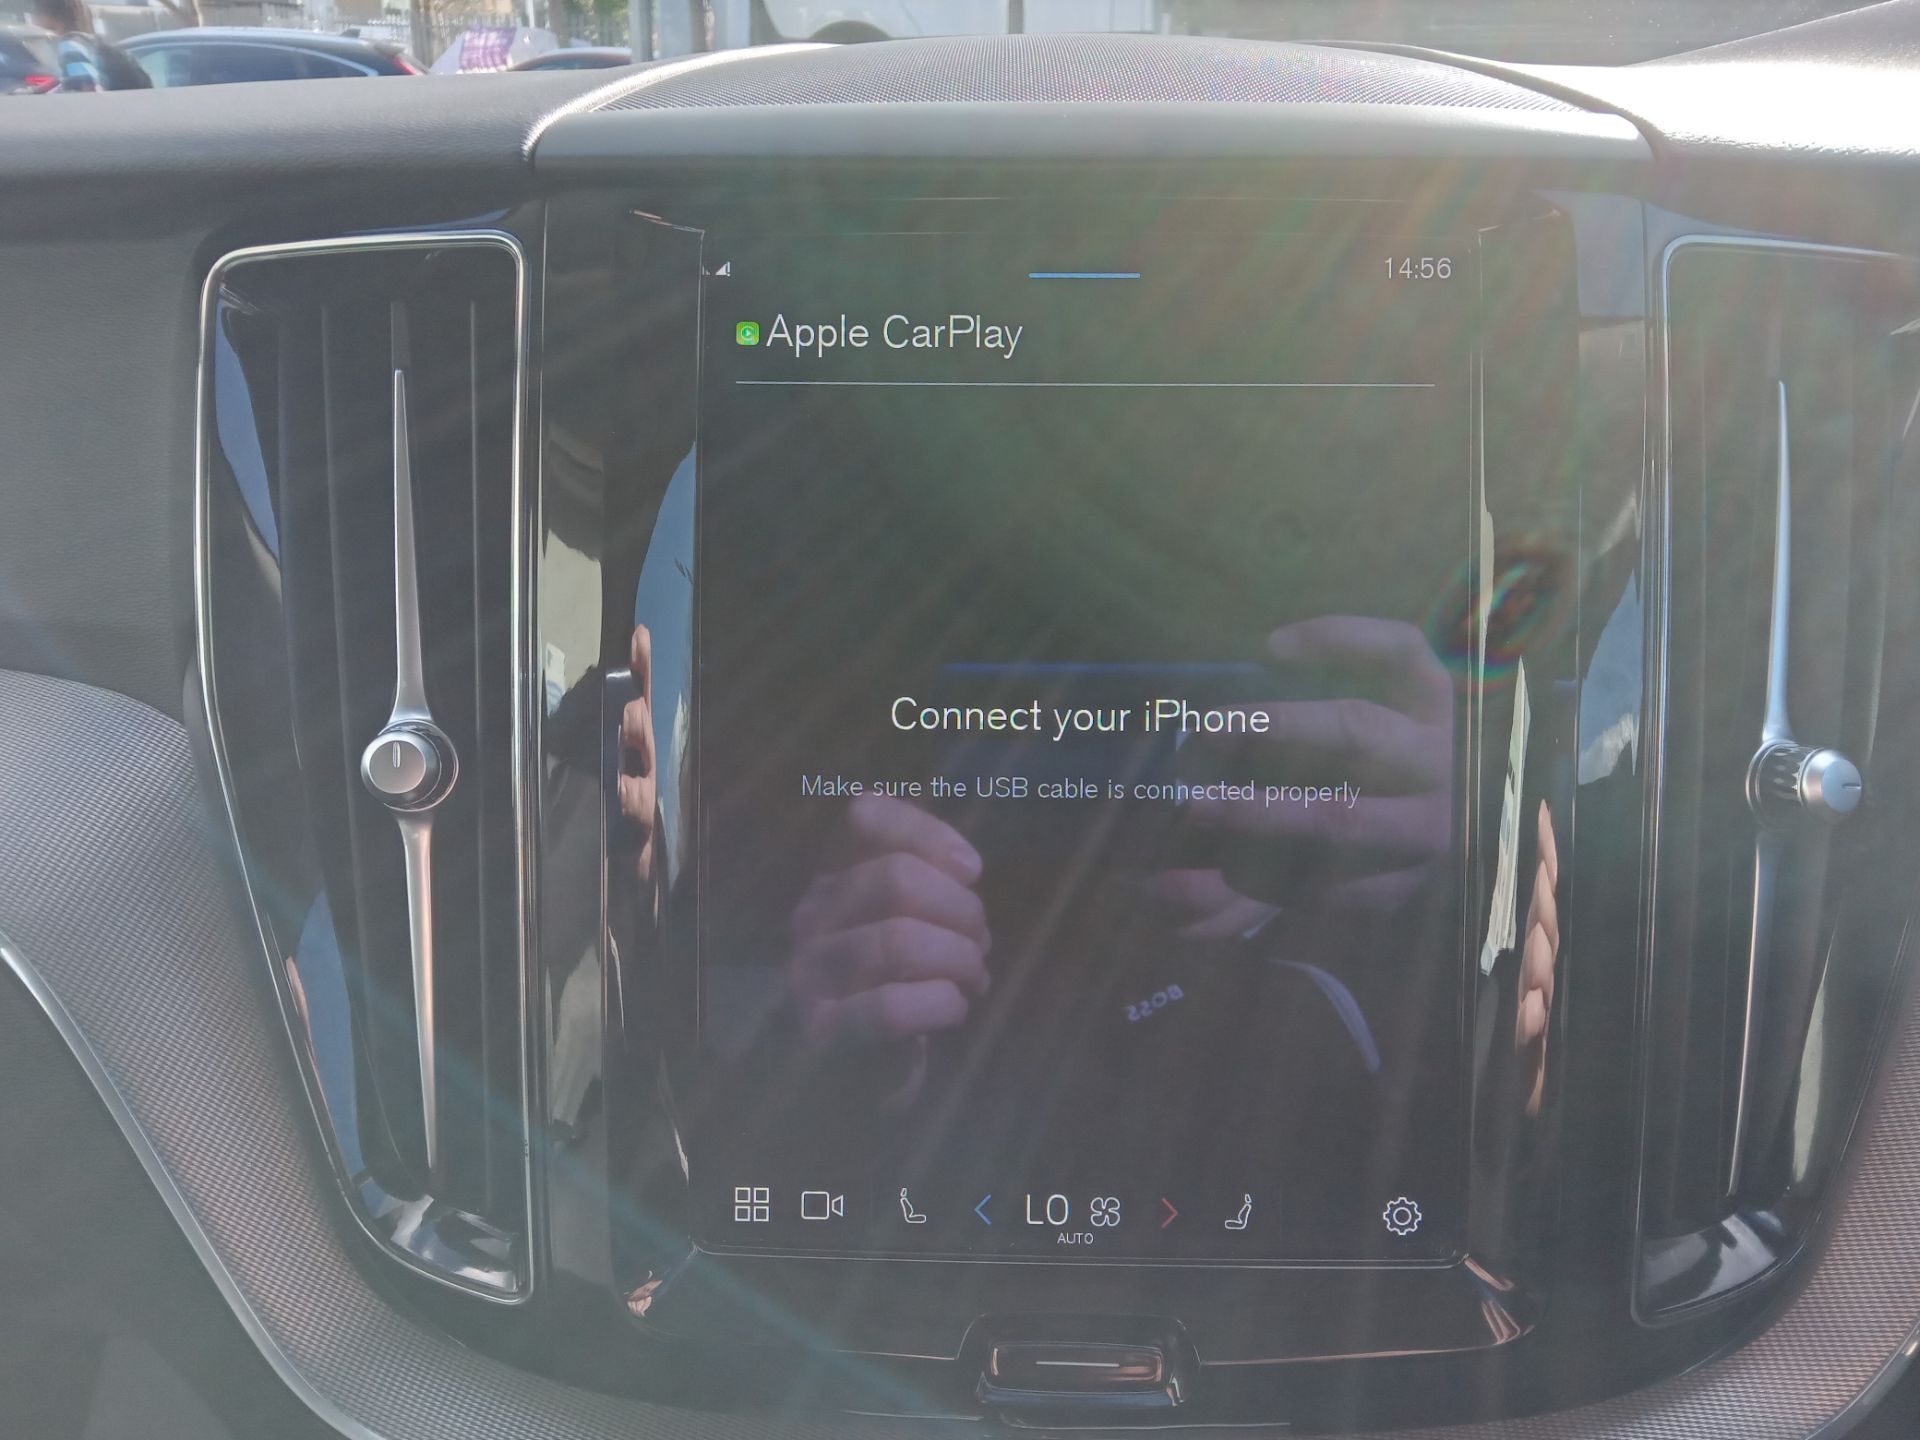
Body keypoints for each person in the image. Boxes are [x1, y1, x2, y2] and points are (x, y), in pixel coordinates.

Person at [29, 0, 150, 92]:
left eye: (34, 11)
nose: (32, 18)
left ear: (48, 15)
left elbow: (86, 86)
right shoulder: (90, 42)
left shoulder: (70, 45)